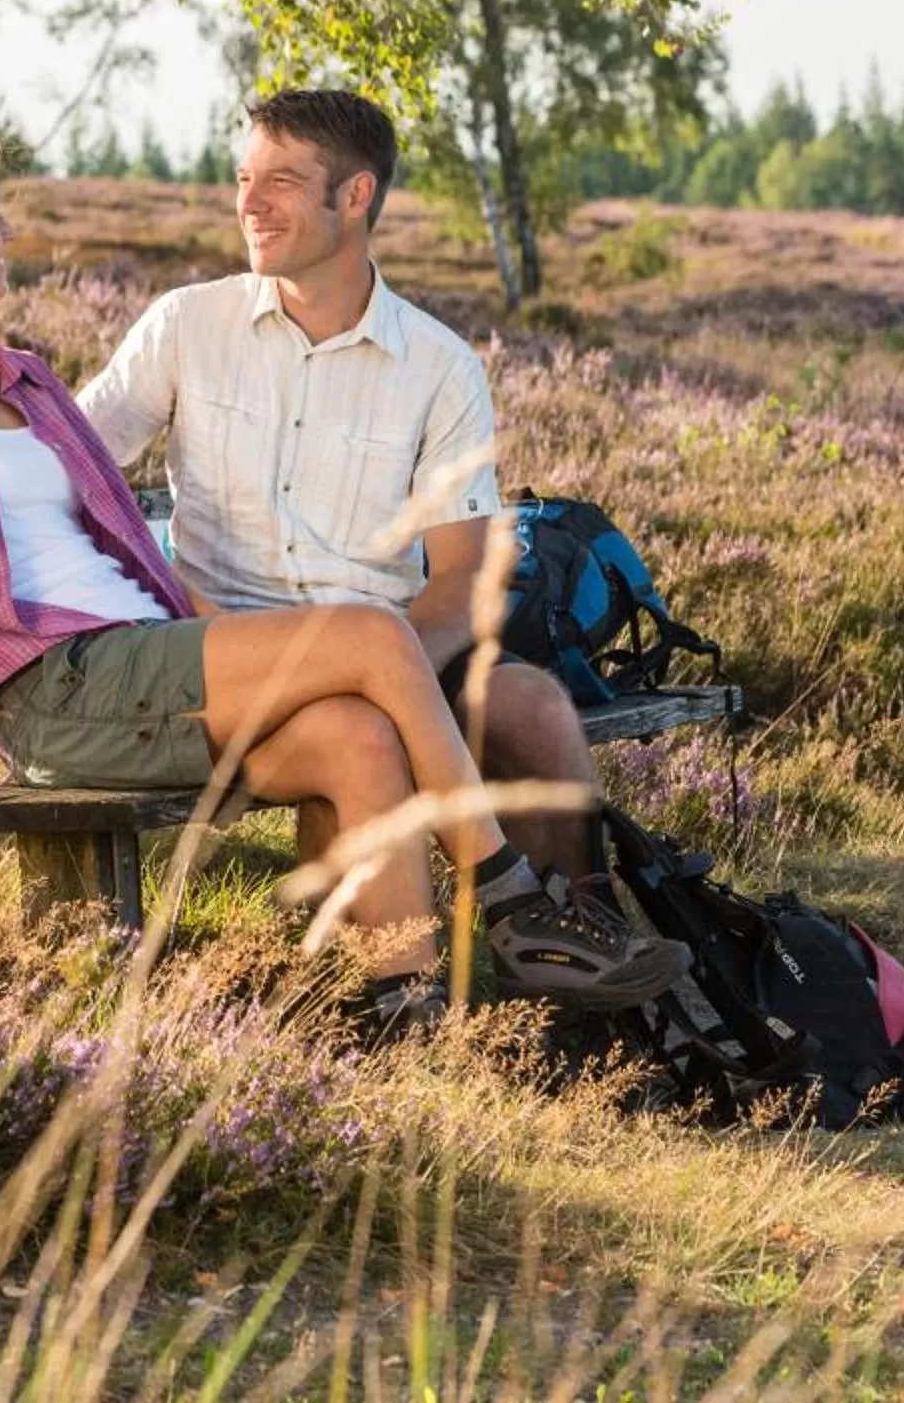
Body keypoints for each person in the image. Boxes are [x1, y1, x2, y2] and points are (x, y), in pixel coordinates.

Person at [0, 118, 687, 1033]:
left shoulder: (27, 379)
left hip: (138, 656)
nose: (7, 234)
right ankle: (513, 900)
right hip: (52, 683)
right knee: (371, 635)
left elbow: (116, 532)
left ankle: (401, 1017)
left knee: (358, 733)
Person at [76, 87, 604, 890]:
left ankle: (573, 961)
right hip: (226, 659)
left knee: (531, 708)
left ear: (355, 196)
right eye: (244, 178)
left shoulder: (439, 365)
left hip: (390, 650)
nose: (249, 203)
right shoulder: (185, 325)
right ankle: (368, 994)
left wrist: (400, 675)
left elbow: (465, 572)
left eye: (279, 181)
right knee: (360, 730)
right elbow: (68, 470)